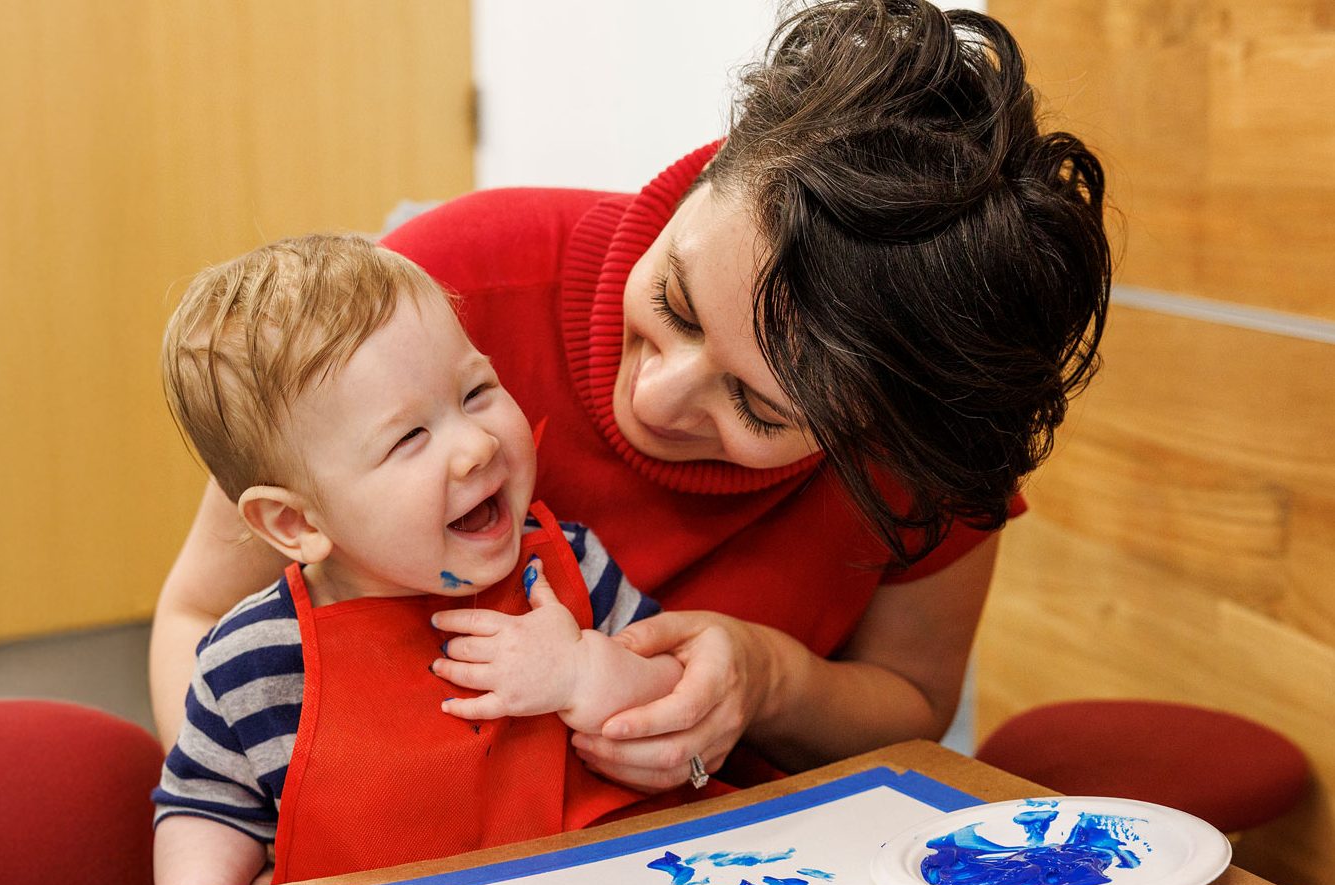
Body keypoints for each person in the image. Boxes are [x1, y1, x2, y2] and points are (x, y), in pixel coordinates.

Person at [149, 0, 1109, 805]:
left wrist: (768, 679)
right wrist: (276, 824)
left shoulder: (927, 443)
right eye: (674, 303)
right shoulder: (440, 302)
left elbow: (911, 702)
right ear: (709, 175)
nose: (658, 395)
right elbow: (201, 612)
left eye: (760, 409)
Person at [151, 234, 700, 885]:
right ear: (295, 520)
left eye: (476, 391)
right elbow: (205, 805)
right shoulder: (252, 661)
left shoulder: (567, 573)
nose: (476, 444)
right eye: (409, 437)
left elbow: (678, 711)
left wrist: (586, 672)